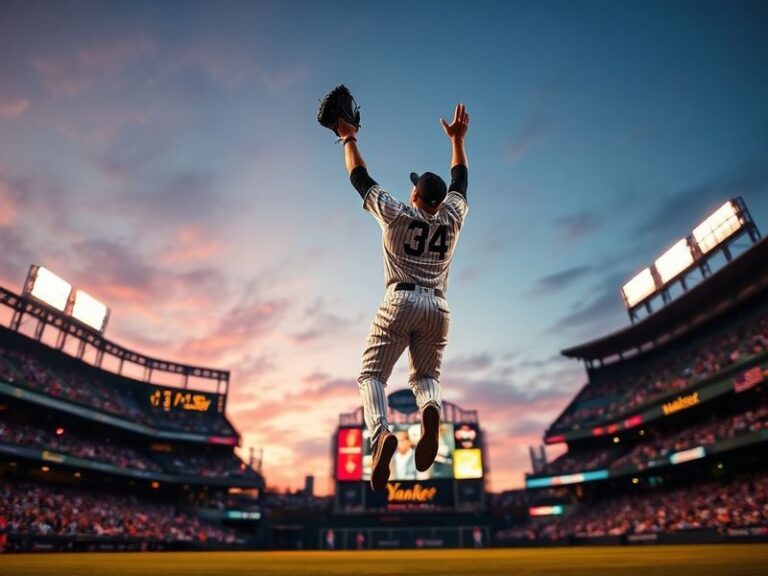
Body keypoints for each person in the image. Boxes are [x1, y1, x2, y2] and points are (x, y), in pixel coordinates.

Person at [335, 103, 470, 492]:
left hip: (400, 300)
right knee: (426, 376)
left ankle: (380, 434)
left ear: (414, 194)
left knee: (372, 375)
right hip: (438, 307)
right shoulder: (453, 218)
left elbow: (359, 177)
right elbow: (460, 182)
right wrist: (458, 141)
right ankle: (430, 407)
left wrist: (349, 137)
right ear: (438, 202)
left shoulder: (396, 214)